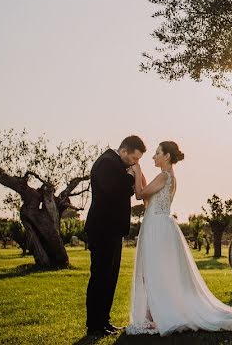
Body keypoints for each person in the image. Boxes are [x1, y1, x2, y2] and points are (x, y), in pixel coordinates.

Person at [126, 140, 232, 336]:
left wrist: (137, 170)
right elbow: (148, 199)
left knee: (154, 271)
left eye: (157, 153)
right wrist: (142, 175)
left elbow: (139, 195)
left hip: (156, 228)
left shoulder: (164, 176)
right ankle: (153, 315)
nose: (153, 156)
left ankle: (158, 315)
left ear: (166, 156)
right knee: (156, 271)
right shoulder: (169, 177)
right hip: (159, 225)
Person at [84, 135, 145, 337]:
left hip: (113, 230)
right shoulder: (107, 162)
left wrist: (128, 175)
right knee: (100, 277)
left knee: (110, 278)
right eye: (133, 159)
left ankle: (104, 321)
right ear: (124, 150)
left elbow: (123, 190)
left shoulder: (118, 165)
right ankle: (94, 325)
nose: (135, 163)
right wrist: (130, 176)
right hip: (102, 229)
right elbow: (113, 189)